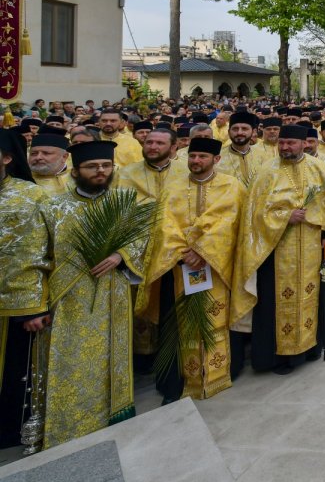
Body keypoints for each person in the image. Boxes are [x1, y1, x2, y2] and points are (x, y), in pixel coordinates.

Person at [41, 141, 149, 448]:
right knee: (72, 358)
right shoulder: (53, 206)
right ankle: (70, 421)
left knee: (112, 353)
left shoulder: (125, 200)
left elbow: (141, 235)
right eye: (92, 166)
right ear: (75, 171)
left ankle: (113, 411)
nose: (100, 171)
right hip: (70, 298)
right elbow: (43, 254)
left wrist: (120, 255)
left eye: (106, 165)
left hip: (112, 294)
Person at [230, 125, 325, 375]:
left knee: (313, 298)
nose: (285, 147)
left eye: (291, 143)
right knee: (274, 305)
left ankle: (310, 349)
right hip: (274, 254)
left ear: (303, 144)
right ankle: (276, 358)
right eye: (282, 143)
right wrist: (286, 216)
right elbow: (253, 216)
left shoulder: (319, 168)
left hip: (312, 249)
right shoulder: (266, 172)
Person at [138, 137, 244, 401]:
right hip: (178, 268)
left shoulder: (232, 187)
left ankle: (218, 374)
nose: (196, 161)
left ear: (216, 160)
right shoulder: (173, 187)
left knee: (216, 317)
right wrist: (183, 252)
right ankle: (178, 381)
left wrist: (203, 250)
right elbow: (164, 224)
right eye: (193, 156)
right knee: (178, 323)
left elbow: (231, 224)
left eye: (202, 157)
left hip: (218, 269)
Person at [0, 130, 50, 449]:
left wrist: (36, 307)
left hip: (19, 304)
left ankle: (7, 434)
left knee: (14, 375)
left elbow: (46, 251)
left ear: (7, 158)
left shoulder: (32, 196)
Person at [216, 111, 269, 187]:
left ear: (253, 132)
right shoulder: (217, 158)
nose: (239, 132)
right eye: (235, 129)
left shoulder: (264, 156)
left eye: (244, 129)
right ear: (229, 132)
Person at [28, 131, 71, 195]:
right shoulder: (23, 180)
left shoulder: (79, 178)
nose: (38, 157)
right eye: (33, 154)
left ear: (64, 157)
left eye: (46, 153)